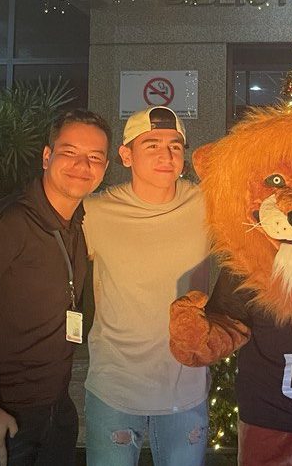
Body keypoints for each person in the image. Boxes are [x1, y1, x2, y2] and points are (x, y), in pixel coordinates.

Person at [0, 109, 112, 466]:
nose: (83, 164)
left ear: (106, 167)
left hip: (54, 409)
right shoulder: (6, 225)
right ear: (47, 156)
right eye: (70, 152)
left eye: (94, 157)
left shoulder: (79, 222)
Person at [82, 106, 212, 466]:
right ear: (126, 154)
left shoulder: (208, 204)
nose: (166, 156)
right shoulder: (94, 213)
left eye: (175, 146)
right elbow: (36, 247)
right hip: (115, 388)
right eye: (151, 145)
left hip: (185, 388)